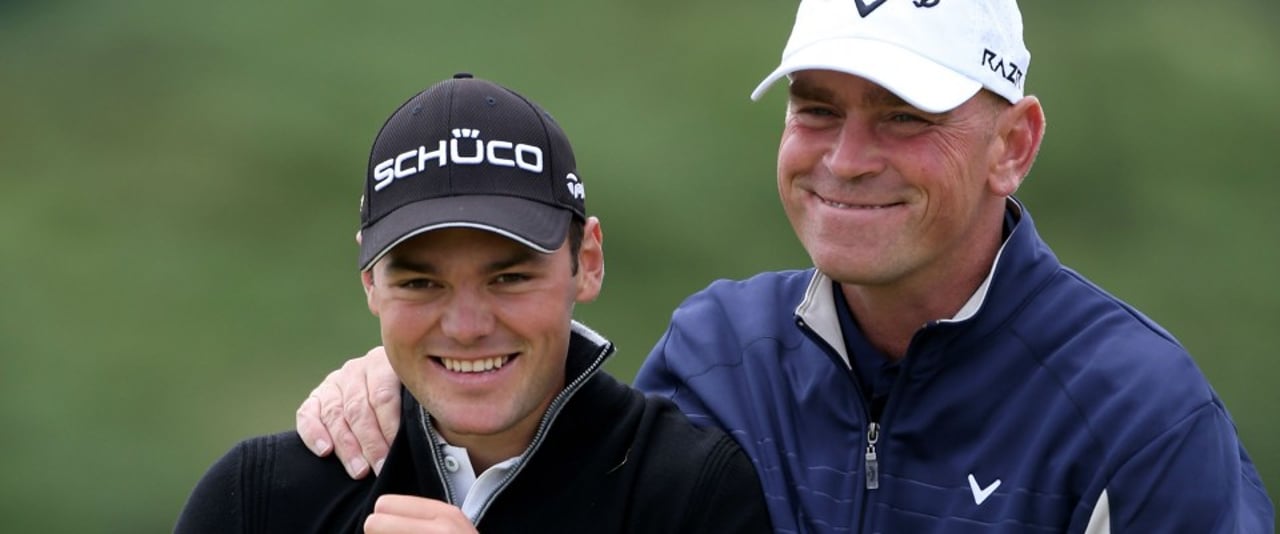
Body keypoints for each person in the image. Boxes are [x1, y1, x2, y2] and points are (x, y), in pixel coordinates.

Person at [294, 1, 1276, 532]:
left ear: (1011, 144)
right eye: (816, 109)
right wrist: (422, 374)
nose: (846, 159)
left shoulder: (1135, 412)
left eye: (903, 118)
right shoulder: (718, 352)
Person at [175, 74, 772, 533]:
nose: (465, 328)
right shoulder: (259, 498)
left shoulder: (692, 494)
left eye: (509, 278)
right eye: (420, 283)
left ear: (586, 261)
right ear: (369, 280)